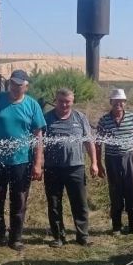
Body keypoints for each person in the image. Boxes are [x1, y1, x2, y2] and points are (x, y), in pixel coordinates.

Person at [0, 69, 46, 252]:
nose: (15, 87)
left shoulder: (32, 105)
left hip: (22, 161)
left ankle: (16, 238)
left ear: (26, 86)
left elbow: (38, 137)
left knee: (19, 200)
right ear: (9, 84)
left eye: (19, 84)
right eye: (13, 83)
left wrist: (38, 163)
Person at [43, 88, 98, 247]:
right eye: (61, 101)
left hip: (76, 168)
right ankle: (58, 237)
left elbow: (89, 142)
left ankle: (82, 236)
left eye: (67, 101)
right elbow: (39, 143)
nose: (64, 104)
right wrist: (38, 163)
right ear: (56, 100)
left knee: (80, 203)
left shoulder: (80, 118)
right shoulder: (47, 118)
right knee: (54, 204)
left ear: (72, 102)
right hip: (53, 168)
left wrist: (94, 163)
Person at [96, 88, 133, 234]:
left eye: (121, 102)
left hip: (130, 158)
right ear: (111, 102)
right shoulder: (104, 120)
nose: (118, 104)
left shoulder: (132, 118)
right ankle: (116, 226)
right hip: (112, 160)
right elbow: (98, 144)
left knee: (132, 191)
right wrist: (98, 163)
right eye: (115, 102)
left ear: (125, 103)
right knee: (115, 191)